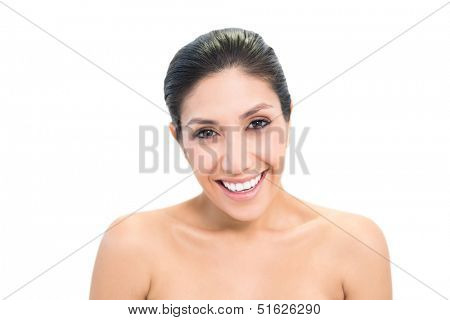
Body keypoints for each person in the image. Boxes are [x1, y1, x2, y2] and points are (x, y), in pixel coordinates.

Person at [89, 27, 392, 300]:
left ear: (288, 120)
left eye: (257, 124)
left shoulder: (357, 244)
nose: (237, 161)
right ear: (179, 140)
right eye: (207, 133)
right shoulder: (132, 246)